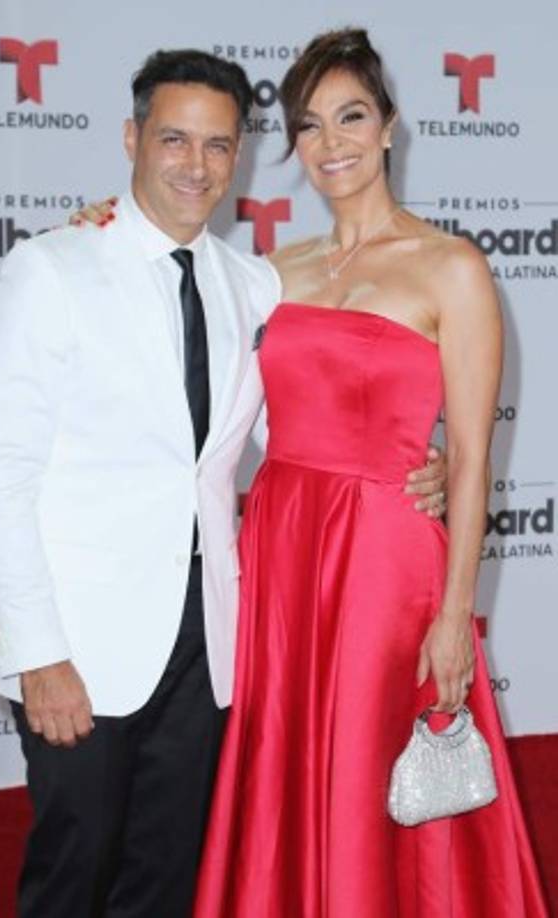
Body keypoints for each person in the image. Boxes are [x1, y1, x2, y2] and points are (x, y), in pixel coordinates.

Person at [0, 47, 447, 918]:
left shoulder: (253, 283)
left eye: (218, 146)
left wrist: (416, 463)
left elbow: (301, 426)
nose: (196, 166)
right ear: (132, 139)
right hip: (81, 645)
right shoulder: (55, 267)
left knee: (167, 877)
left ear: (240, 157)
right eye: (175, 141)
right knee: (73, 874)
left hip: (211, 642)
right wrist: (36, 655)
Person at [191, 29, 549, 918]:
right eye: (309, 126)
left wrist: (456, 613)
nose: (332, 143)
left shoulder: (452, 268)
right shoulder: (274, 273)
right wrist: (98, 221)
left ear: (389, 128)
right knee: (289, 762)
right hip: (281, 553)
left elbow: (470, 461)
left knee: (376, 771)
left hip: (389, 566)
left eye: (351, 116)